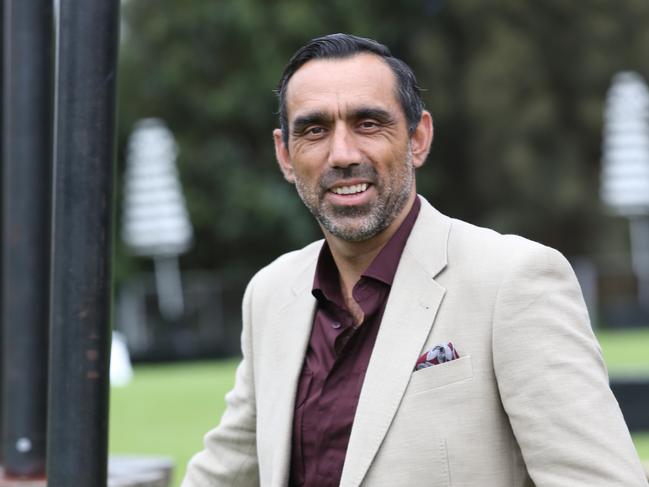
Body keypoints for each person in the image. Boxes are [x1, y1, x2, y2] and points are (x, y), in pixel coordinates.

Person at [182, 33, 647, 487]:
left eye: (368, 124)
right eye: (315, 130)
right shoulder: (270, 293)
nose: (342, 155)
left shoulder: (513, 279)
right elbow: (227, 467)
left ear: (418, 138)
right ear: (285, 155)